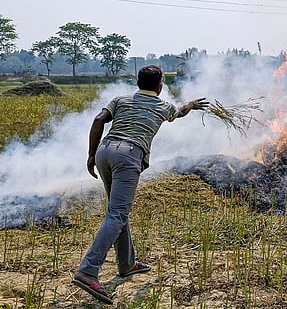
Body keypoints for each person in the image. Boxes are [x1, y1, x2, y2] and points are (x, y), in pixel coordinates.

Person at [72, 65, 208, 304]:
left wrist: (91, 155)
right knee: (117, 214)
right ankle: (88, 270)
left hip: (105, 151)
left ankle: (126, 264)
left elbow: (98, 120)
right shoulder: (163, 105)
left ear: (137, 83)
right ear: (159, 86)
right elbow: (180, 111)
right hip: (128, 155)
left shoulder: (120, 99)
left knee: (117, 212)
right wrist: (191, 105)